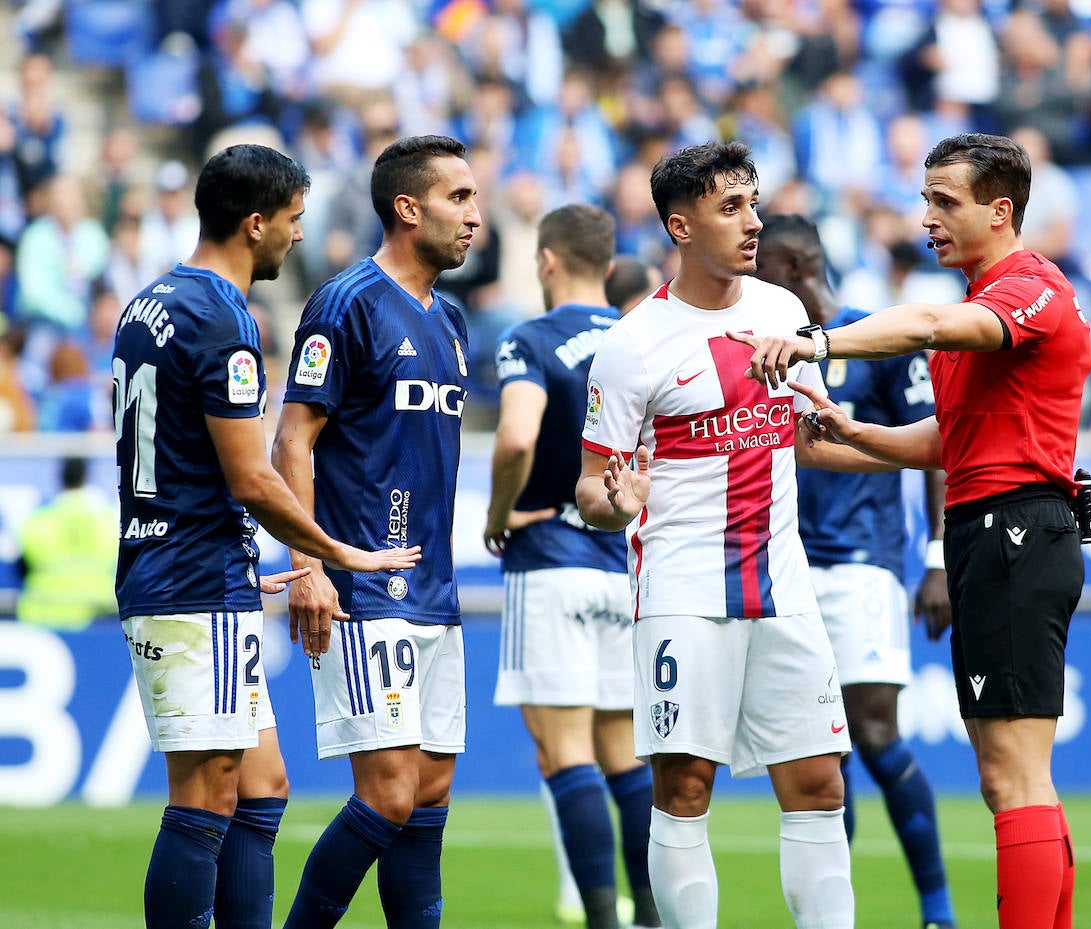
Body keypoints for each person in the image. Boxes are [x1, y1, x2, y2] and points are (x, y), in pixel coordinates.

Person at [732, 132, 1091, 929]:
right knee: (1019, 774)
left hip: (1017, 532)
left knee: (1012, 777)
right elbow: (947, 442)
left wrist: (817, 342)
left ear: (1001, 212)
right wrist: (846, 433)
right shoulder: (974, 313)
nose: (925, 216)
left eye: (944, 201)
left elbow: (927, 323)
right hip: (990, 531)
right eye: (925, 198)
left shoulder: (1029, 288)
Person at [113, 143, 421, 929]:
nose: (297, 237)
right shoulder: (225, 318)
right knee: (207, 792)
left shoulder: (148, 303)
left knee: (262, 784)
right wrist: (337, 551)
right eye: (292, 221)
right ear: (255, 223)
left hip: (187, 566)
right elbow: (252, 477)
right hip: (192, 581)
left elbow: (170, 456)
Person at [575, 141, 855, 929]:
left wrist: (929, 446)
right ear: (681, 225)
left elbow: (816, 436)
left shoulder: (784, 314)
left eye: (753, 202)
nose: (753, 221)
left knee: (818, 785)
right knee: (686, 786)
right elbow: (592, 485)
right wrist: (615, 501)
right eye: (730, 207)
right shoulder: (633, 344)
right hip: (684, 588)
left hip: (784, 584)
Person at [271, 134, 481, 929]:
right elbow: (292, 439)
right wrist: (309, 564)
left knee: (427, 797)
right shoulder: (348, 300)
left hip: (436, 589)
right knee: (388, 792)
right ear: (407, 206)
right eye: (458, 198)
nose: (475, 217)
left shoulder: (453, 318)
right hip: (364, 588)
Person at [753, 214, 958, 929]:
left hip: (863, 564)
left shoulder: (877, 340)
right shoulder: (769, 349)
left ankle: (937, 907)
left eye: (760, 266)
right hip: (787, 568)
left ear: (793, 264)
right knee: (818, 752)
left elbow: (932, 449)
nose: (751, 279)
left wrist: (936, 558)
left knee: (873, 735)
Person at [485, 204, 659, 929]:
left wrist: (499, 515)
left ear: (546, 260)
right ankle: (650, 913)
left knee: (565, 754)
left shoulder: (528, 337)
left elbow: (516, 438)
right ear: (612, 269)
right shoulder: (637, 341)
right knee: (624, 756)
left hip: (551, 559)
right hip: (623, 561)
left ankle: (600, 918)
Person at [17, 457, 118, 629]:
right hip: (98, 611)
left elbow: (21, 566)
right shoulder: (108, 518)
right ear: (86, 478)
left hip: (44, 611)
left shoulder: (39, 520)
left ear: (59, 477)